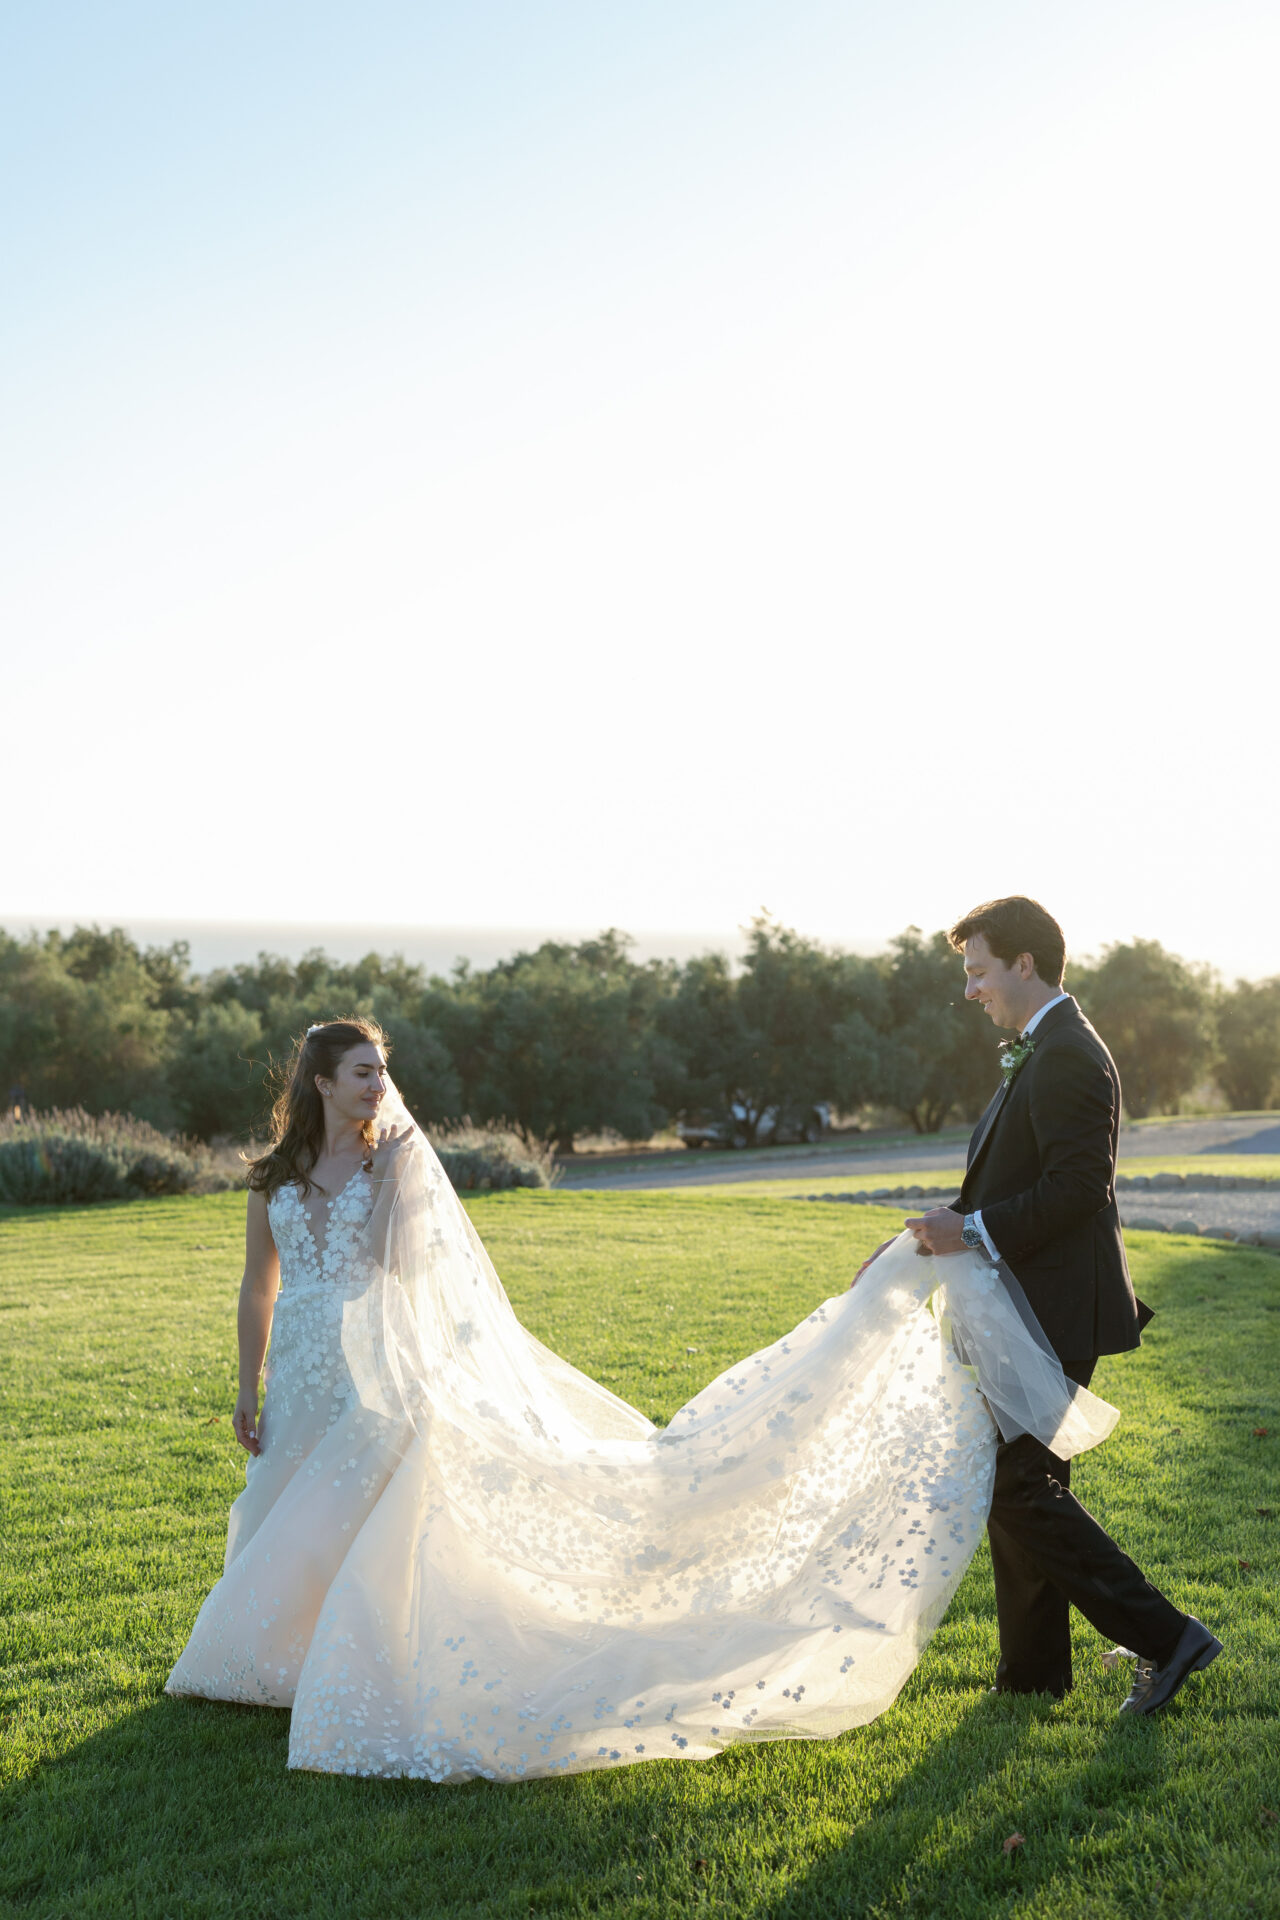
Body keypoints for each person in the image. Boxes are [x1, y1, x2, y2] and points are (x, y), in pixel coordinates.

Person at [165, 1011, 1134, 1784]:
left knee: (363, 1509)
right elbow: (260, 1286)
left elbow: (411, 1277)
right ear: (321, 1083)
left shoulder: (396, 1164)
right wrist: (248, 1384)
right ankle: (271, 1657)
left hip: (380, 1364)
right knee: (289, 1502)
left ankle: (351, 1657)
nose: (379, 1084)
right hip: (300, 1363)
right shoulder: (273, 1178)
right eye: (363, 1071)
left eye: (383, 1069)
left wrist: (390, 1182)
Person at [898, 896, 1221, 1714]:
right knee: (1021, 1483)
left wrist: (966, 1228)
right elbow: (1015, 1181)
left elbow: (1079, 1189)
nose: (971, 990)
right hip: (1026, 1305)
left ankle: (1168, 1638)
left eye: (977, 971)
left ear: (1024, 964)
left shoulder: (1070, 1053)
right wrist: (939, 1232)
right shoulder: (1040, 1049)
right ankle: (1033, 1671)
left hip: (1056, 1308)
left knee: (1015, 1485)